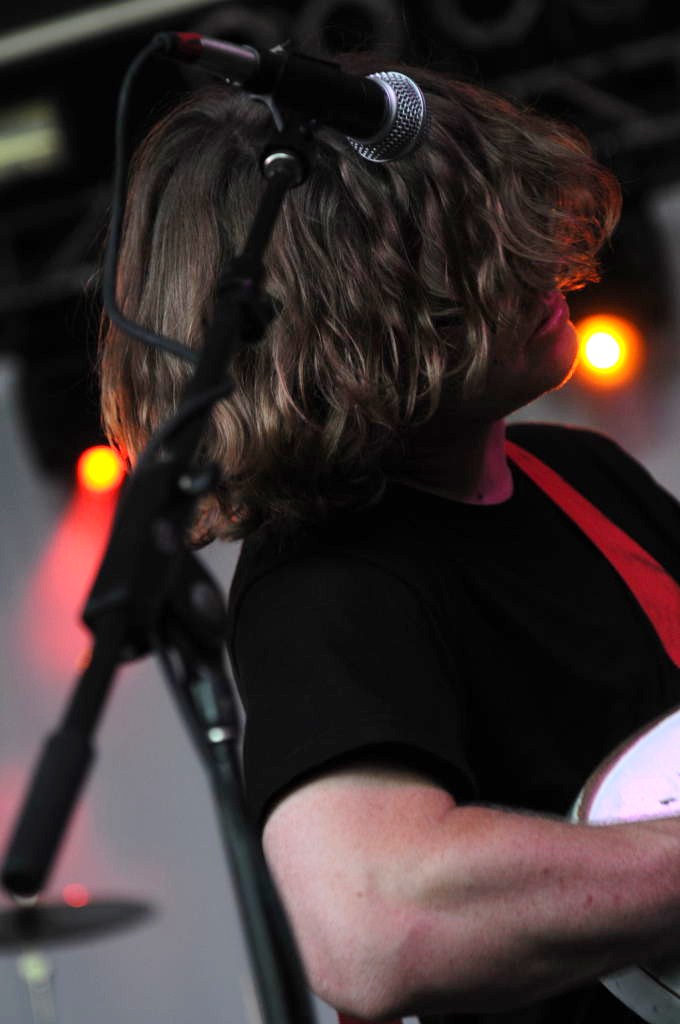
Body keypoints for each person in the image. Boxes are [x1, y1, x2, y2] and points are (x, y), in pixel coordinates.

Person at [99, 49, 680, 1024]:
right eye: (473, 251)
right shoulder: (327, 581)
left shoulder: (581, 475)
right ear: (362, 324)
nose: (539, 257)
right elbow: (369, 923)